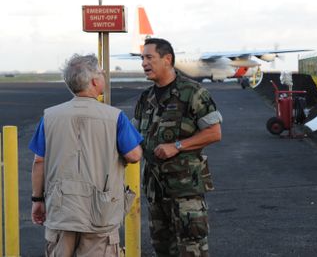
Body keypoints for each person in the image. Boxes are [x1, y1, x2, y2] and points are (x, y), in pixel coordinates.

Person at [29, 54, 143, 256]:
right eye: (101, 72)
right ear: (93, 81)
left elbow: (39, 162)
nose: (104, 75)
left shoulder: (50, 116)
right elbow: (134, 155)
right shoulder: (115, 117)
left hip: (61, 210)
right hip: (101, 212)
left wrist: (37, 200)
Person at [133, 38, 222, 256]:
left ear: (167, 59)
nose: (144, 63)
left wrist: (178, 145)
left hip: (185, 190)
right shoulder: (146, 98)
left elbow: (214, 132)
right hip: (155, 190)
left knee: (192, 248)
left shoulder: (193, 92)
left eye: (149, 57)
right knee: (162, 248)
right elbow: (134, 136)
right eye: (143, 58)